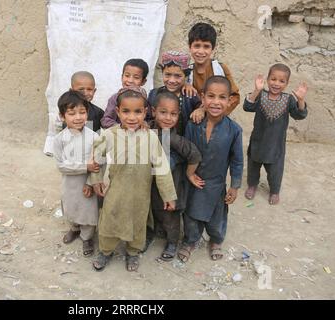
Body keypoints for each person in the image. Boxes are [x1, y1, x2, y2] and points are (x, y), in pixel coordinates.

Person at [90, 86, 177, 272]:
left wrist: (168, 195)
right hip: (115, 190)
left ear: (145, 112)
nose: (132, 117)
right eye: (126, 111)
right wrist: (96, 180)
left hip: (140, 192)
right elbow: (96, 158)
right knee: (109, 221)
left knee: (138, 223)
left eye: (137, 112)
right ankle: (105, 251)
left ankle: (133, 252)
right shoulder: (109, 134)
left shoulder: (151, 138)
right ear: (118, 112)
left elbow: (162, 168)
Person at [179, 76, 243, 263]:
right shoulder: (193, 124)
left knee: (217, 215)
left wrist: (235, 186)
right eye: (211, 96)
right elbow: (186, 151)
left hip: (216, 182)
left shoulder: (234, 130)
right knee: (191, 213)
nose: (216, 102)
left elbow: (237, 160)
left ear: (229, 100)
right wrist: (188, 174)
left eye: (222, 97)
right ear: (203, 98)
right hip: (194, 180)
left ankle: (216, 240)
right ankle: (190, 241)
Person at [243, 63, 308, 205]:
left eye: (281, 81)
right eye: (273, 79)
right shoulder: (261, 95)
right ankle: (252, 185)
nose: (276, 83)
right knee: (253, 165)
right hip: (258, 142)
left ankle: (274, 191)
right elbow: (247, 107)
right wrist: (256, 90)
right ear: (267, 79)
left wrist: (301, 100)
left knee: (275, 171)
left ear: (287, 83)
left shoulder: (288, 100)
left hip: (276, 145)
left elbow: (299, 115)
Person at [149, 89, 202, 261]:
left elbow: (195, 155)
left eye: (173, 114)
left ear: (179, 115)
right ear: (153, 111)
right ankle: (154, 233)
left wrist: (190, 174)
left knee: (170, 216)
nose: (167, 118)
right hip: (151, 184)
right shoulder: (147, 131)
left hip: (173, 186)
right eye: (163, 112)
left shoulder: (173, 138)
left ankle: (172, 243)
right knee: (154, 210)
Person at [53, 90, 99, 257]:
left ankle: (87, 237)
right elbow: (61, 165)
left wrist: (90, 181)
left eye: (82, 112)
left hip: (86, 184)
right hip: (69, 184)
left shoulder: (94, 137)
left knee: (87, 210)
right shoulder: (59, 140)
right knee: (71, 207)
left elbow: (97, 164)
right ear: (62, 116)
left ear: (87, 113)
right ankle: (74, 228)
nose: (78, 117)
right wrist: (84, 167)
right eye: (72, 113)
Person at [186, 22, 240, 123]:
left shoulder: (221, 69)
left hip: (217, 122)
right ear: (190, 47)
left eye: (206, 47)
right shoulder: (186, 72)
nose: (201, 51)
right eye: (197, 46)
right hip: (192, 124)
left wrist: (208, 112)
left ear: (213, 49)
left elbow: (235, 97)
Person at [148, 51, 201, 136]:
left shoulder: (190, 95)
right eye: (167, 74)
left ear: (186, 76)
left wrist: (201, 110)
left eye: (178, 76)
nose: (172, 80)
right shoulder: (154, 94)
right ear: (162, 73)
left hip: (183, 143)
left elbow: (202, 108)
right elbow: (147, 118)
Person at [100, 58, 150, 128]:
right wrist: (121, 127)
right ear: (122, 77)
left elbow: (148, 119)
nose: (130, 80)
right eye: (127, 75)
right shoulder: (115, 98)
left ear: (143, 81)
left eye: (136, 77)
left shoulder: (144, 100)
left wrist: (144, 124)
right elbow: (106, 120)